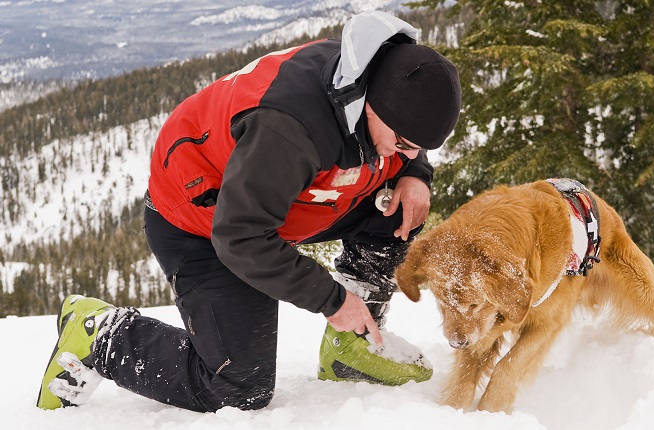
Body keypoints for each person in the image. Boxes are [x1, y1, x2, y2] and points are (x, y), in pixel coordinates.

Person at [37, 10, 461, 412]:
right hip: (203, 224)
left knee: (400, 210)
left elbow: (404, 149)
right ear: (372, 105)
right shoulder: (288, 130)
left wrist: (415, 173)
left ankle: (350, 347)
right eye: (404, 143)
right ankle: (99, 334)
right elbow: (241, 237)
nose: (407, 153)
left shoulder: (380, 80)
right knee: (240, 387)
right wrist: (332, 301)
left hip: (281, 206)